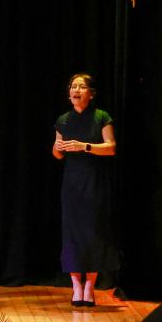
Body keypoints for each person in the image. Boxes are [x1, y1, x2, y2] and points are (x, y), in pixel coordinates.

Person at [52, 73, 117, 308]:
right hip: (71, 183)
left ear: (91, 93)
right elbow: (57, 154)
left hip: (95, 181)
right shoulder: (63, 120)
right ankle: (76, 286)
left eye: (81, 86)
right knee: (72, 232)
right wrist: (58, 147)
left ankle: (89, 286)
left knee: (94, 231)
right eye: (73, 86)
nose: (76, 90)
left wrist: (84, 146)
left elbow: (111, 148)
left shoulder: (101, 117)